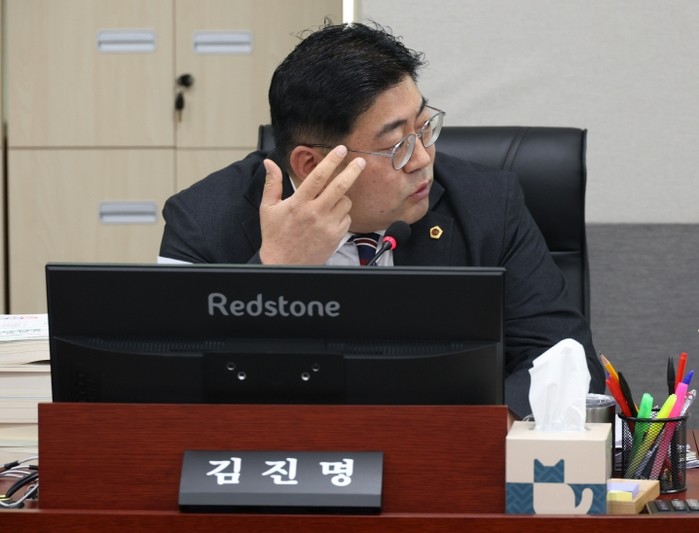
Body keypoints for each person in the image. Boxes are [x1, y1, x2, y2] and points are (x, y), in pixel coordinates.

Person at [159, 21, 606, 419]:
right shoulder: (203, 220)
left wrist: (466, 433)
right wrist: (274, 270)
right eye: (397, 147)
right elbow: (170, 392)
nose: (424, 159)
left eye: (424, 127)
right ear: (312, 165)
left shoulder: (488, 204)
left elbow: (565, 356)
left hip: (441, 457)